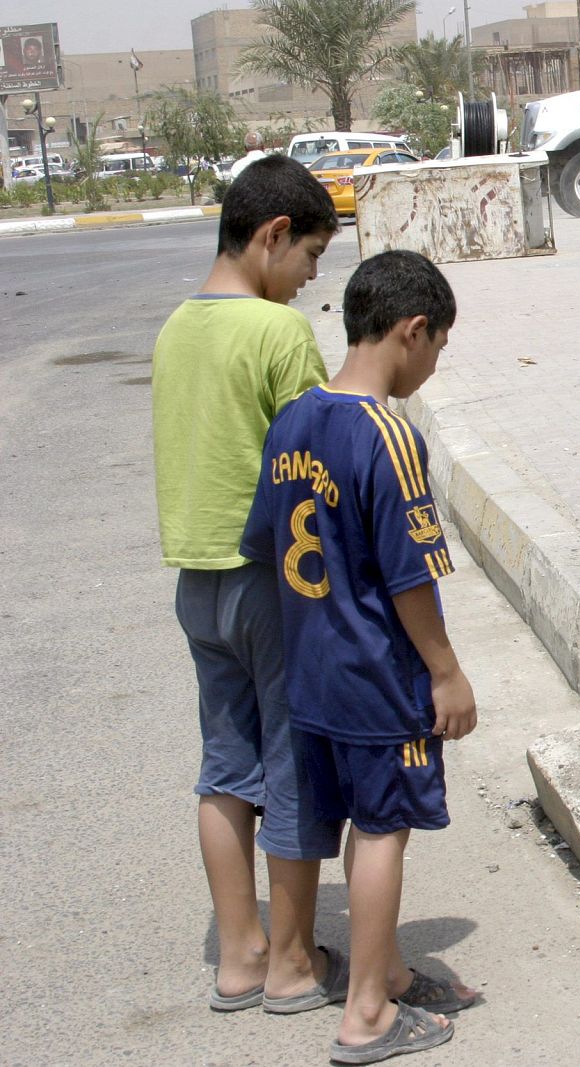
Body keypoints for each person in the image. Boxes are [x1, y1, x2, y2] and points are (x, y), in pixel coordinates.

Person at [241, 250, 477, 1064]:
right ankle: (368, 1014)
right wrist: (445, 670)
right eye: (438, 347)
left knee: (348, 823)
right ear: (412, 330)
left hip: (310, 675)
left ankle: (390, 973)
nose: (433, 365)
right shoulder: (388, 434)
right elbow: (411, 578)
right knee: (382, 831)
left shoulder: (293, 420)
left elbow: (266, 543)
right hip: (377, 677)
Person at [152, 154, 346, 1014]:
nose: (309, 280)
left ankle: (239, 954)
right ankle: (294, 963)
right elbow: (313, 466)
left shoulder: (175, 327)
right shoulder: (277, 335)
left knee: (225, 770)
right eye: (309, 257)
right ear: (272, 236)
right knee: (293, 764)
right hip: (273, 585)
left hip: (197, 584)